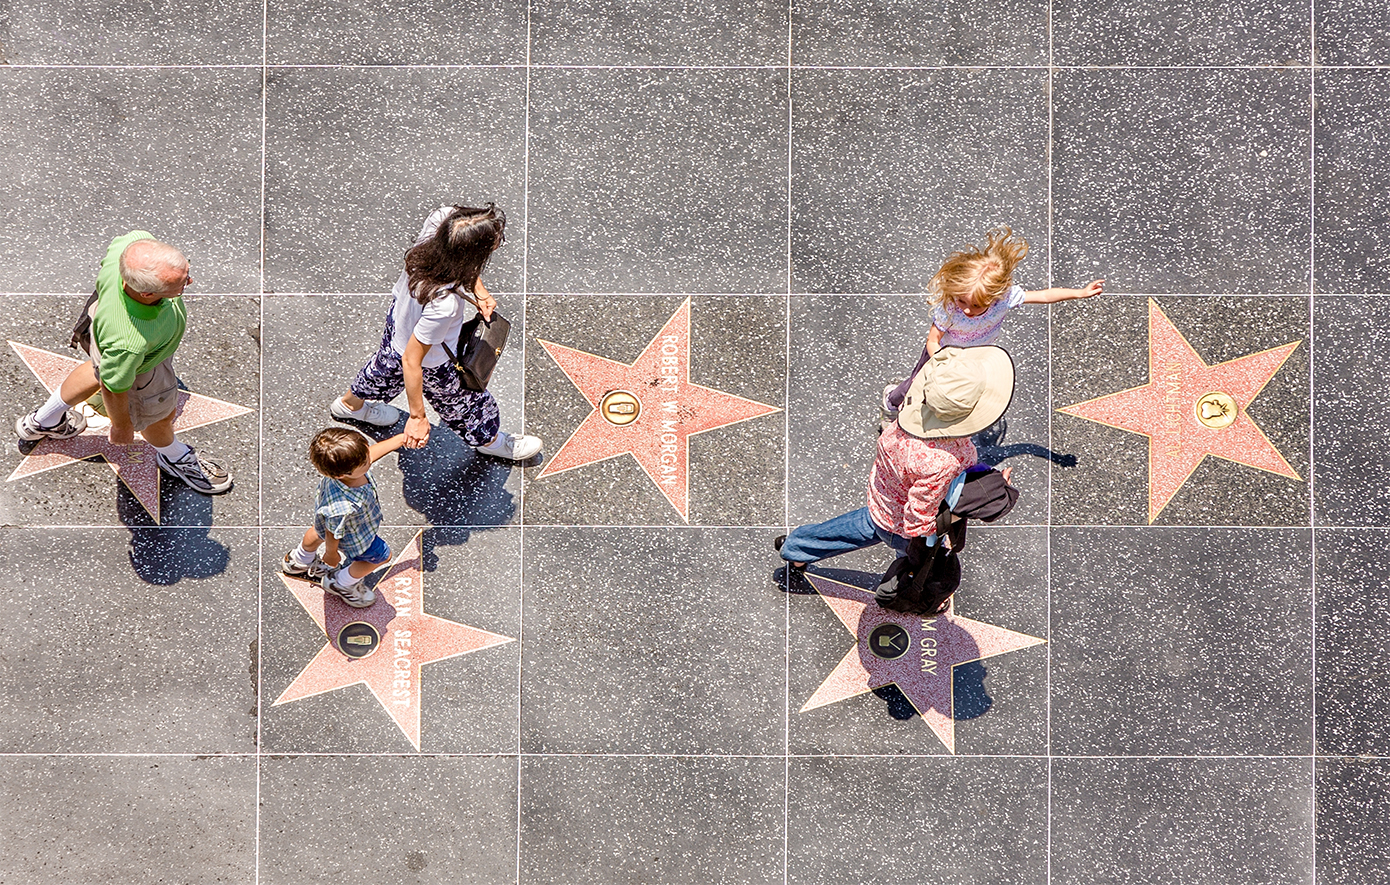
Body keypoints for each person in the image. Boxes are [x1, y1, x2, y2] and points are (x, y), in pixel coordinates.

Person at [777, 345, 1015, 596]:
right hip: (901, 527)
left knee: (846, 531)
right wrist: (987, 493)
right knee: (919, 567)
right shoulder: (943, 461)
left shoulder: (909, 415)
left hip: (882, 499)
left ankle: (796, 547)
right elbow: (918, 519)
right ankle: (911, 591)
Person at [15, 232, 231, 494]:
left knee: (98, 368)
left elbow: (106, 372)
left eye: (186, 270)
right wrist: (122, 426)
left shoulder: (131, 245)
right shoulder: (129, 342)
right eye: (181, 282)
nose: (190, 281)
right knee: (159, 418)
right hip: (141, 366)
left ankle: (42, 422)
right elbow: (114, 386)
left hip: (100, 328)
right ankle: (174, 457)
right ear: (148, 292)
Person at [330, 203, 541, 461]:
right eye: (492, 243)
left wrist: (479, 292)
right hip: (433, 361)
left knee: (385, 367)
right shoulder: (444, 305)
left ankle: (350, 406)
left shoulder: (440, 222)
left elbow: (403, 356)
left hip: (399, 324)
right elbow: (412, 360)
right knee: (464, 402)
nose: (498, 242)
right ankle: (490, 440)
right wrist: (418, 417)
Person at [883, 227, 1102, 416]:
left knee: (959, 390)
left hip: (977, 355)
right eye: (962, 301)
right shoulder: (949, 306)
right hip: (944, 355)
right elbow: (933, 340)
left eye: (977, 305)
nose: (967, 309)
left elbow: (1043, 296)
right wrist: (944, 361)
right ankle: (893, 402)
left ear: (995, 297)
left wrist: (1079, 293)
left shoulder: (1004, 298)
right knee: (918, 381)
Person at [283, 427, 407, 608]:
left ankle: (298, 561)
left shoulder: (339, 471)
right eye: (365, 461)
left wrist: (400, 439)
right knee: (382, 556)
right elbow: (333, 532)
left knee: (316, 532)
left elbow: (369, 455)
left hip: (326, 520)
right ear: (342, 474)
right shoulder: (342, 506)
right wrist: (331, 554)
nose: (369, 460)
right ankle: (341, 582)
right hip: (356, 536)